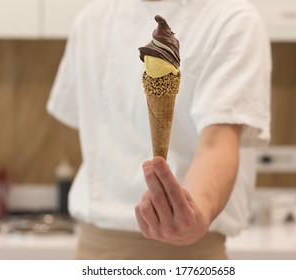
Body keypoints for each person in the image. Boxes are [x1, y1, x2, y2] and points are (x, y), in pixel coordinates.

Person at [47, 0, 271, 260]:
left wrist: (195, 212)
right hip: (93, 252)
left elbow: (218, 142)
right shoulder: (90, 19)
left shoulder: (233, 19)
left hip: (190, 256)